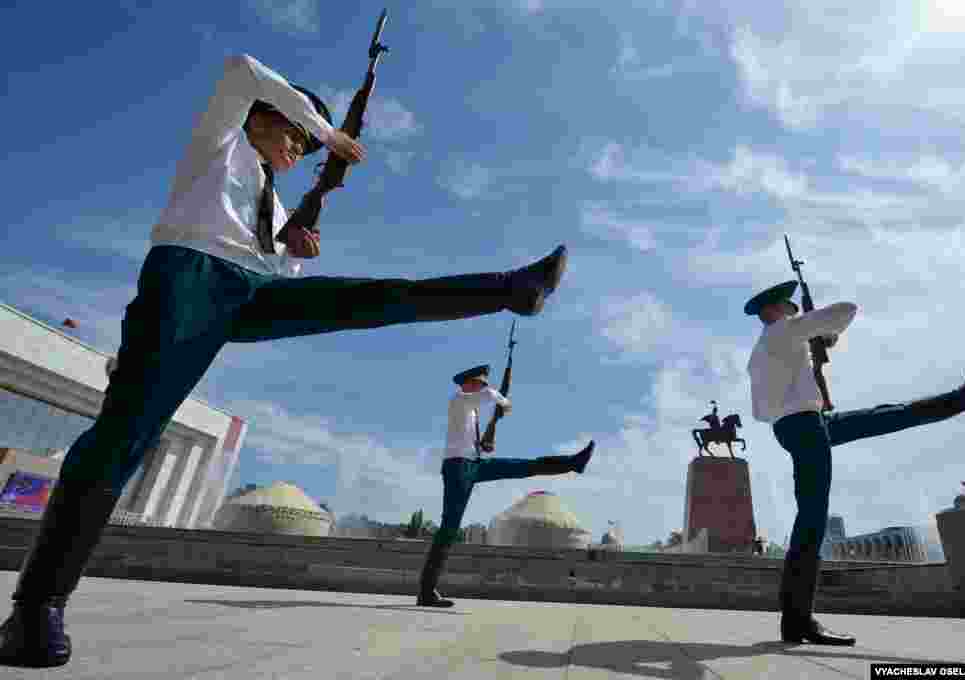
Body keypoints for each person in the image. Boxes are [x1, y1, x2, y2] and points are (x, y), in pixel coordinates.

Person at [0, 54, 569, 668]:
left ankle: (510, 288)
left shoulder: (272, 202)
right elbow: (241, 69)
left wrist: (294, 249)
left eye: (307, 138)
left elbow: (274, 271)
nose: (300, 145)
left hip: (249, 293)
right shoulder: (217, 144)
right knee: (122, 440)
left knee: (380, 298)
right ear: (261, 118)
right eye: (294, 130)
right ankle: (36, 608)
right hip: (188, 282)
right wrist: (330, 133)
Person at [745, 280, 965, 646]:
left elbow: (787, 385)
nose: (794, 312)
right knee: (812, 519)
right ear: (774, 311)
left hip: (802, 425)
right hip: (806, 427)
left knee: (885, 415)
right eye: (790, 308)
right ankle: (798, 620)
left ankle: (959, 400)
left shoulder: (766, 349)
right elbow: (846, 310)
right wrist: (819, 327)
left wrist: (819, 342)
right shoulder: (783, 333)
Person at [416, 364, 595, 607]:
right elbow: (490, 397)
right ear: (467, 384)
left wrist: (483, 444)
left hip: (473, 464)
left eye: (483, 384)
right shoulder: (458, 400)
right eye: (480, 383)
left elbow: (469, 438)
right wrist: (504, 402)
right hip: (458, 468)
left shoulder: (472, 410)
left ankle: (573, 463)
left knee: (523, 466)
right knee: (449, 528)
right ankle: (426, 592)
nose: (483, 387)